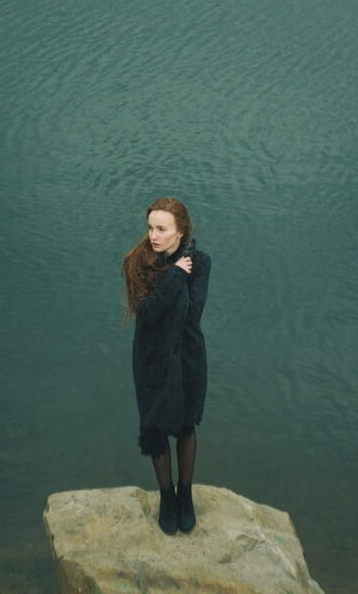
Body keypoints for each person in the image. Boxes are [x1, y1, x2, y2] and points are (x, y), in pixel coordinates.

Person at [122, 197, 211, 535]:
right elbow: (146, 315)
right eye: (150, 228)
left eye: (162, 229)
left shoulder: (200, 262)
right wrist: (174, 276)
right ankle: (166, 496)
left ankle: (185, 495)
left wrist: (178, 278)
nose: (153, 236)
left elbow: (192, 312)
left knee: (186, 424)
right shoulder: (138, 262)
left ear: (180, 232)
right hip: (151, 357)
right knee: (156, 426)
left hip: (187, 354)